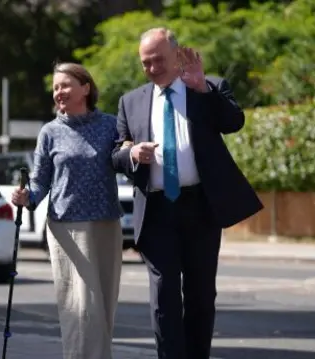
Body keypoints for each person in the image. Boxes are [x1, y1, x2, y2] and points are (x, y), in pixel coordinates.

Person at [111, 28, 264, 359]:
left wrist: (202, 87)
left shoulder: (208, 87)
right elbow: (116, 154)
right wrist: (133, 155)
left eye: (159, 60)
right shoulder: (130, 101)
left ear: (177, 56)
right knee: (164, 295)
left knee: (200, 295)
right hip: (156, 210)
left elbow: (233, 121)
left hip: (200, 209)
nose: (152, 69)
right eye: (145, 63)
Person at [11, 62, 123, 359]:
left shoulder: (111, 125)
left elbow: (127, 162)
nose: (58, 92)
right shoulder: (50, 132)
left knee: (104, 305)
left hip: (107, 222)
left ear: (85, 88)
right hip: (67, 228)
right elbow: (40, 181)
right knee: (81, 307)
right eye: (56, 87)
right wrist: (27, 197)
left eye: (65, 85)